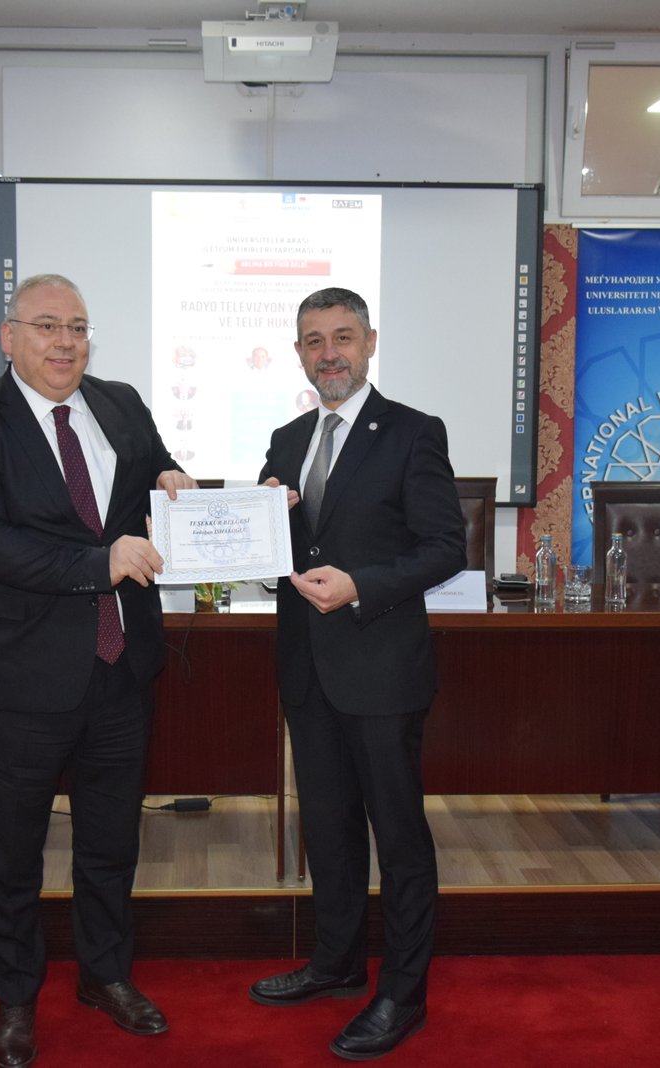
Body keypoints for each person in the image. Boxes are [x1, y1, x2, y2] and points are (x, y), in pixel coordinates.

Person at [0, 274, 196, 1068]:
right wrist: (97, 564)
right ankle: (15, 996)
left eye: (77, 327)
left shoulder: (120, 403)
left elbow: (154, 467)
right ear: (9, 336)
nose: (65, 341)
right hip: (23, 679)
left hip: (121, 669)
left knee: (111, 843)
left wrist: (172, 478)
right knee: (12, 853)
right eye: (47, 325)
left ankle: (104, 975)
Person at [253, 287, 465, 1061]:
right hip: (307, 670)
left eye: (343, 337)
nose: (329, 353)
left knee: (398, 836)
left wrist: (361, 586)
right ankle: (337, 963)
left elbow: (446, 547)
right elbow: (271, 549)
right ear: (299, 353)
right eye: (314, 341)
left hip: (381, 668)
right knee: (329, 828)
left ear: (369, 342)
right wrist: (259, 522)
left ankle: (404, 993)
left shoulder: (412, 432)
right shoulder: (286, 439)